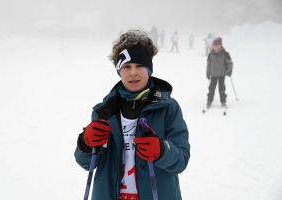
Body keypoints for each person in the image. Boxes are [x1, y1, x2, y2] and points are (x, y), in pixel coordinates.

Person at [74, 30, 190, 200]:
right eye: (127, 67)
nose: (133, 72)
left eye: (139, 66)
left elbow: (181, 159)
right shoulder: (104, 112)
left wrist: (162, 150)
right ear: (119, 71)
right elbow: (86, 163)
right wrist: (85, 143)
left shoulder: (167, 108)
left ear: (149, 70)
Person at [206, 37, 233, 107]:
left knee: (222, 88)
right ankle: (209, 100)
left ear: (220, 46)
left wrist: (229, 71)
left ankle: (223, 101)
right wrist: (207, 73)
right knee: (211, 88)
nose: (216, 47)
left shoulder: (225, 54)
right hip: (213, 74)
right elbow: (208, 65)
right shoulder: (211, 54)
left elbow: (229, 63)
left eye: (217, 46)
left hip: (222, 74)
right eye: (214, 46)